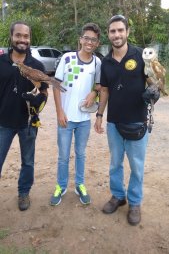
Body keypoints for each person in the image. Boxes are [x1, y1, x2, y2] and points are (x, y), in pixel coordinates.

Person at [94, 15, 159, 226]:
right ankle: (118, 196)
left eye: (120, 30)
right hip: (114, 122)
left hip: (138, 121)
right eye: (113, 31)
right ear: (108, 34)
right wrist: (99, 115)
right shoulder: (106, 62)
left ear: (127, 32)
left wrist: (154, 91)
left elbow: (153, 81)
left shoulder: (141, 55)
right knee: (115, 164)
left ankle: (135, 203)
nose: (117, 35)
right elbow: (104, 90)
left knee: (137, 166)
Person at [50, 23, 101, 206]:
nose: (89, 42)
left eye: (93, 39)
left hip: (84, 121)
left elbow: (98, 86)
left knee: (81, 154)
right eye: (86, 38)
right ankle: (61, 186)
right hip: (65, 119)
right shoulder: (67, 58)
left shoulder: (97, 63)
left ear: (97, 43)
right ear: (80, 39)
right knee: (63, 155)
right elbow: (56, 85)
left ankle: (80, 185)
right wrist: (59, 112)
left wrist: (94, 93)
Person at [0, 21, 48, 211]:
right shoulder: (1, 62)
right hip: (2, 122)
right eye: (18, 35)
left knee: (28, 161)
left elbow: (44, 92)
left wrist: (39, 103)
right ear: (11, 37)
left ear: (30, 39)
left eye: (26, 36)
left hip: (28, 123)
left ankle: (24, 193)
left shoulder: (36, 65)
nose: (22, 39)